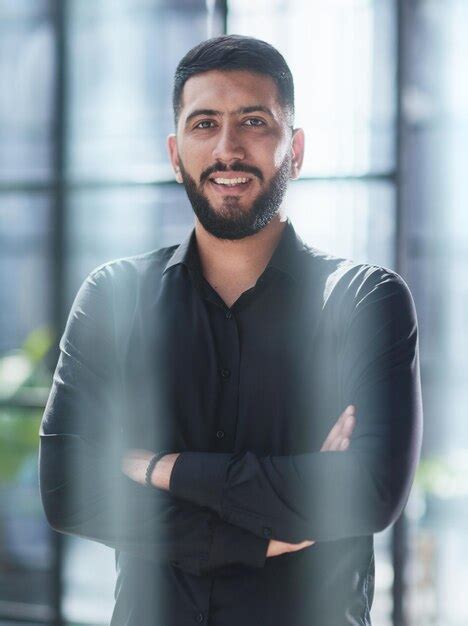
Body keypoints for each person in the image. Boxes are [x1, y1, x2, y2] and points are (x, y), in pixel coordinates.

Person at [39, 34, 423, 626]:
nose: (228, 148)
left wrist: (155, 468)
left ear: (295, 149)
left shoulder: (366, 301)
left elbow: (366, 491)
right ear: (174, 154)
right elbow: (68, 489)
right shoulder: (115, 296)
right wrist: (264, 529)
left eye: (253, 121)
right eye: (204, 124)